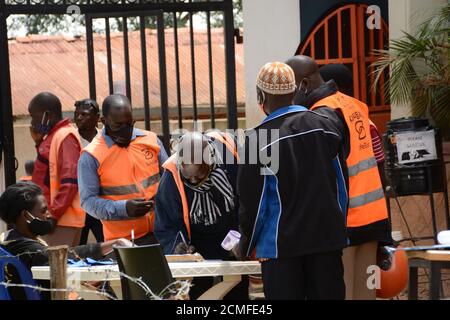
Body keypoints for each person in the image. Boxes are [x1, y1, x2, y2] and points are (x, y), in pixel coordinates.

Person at [237, 62, 349, 300]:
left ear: (260, 96)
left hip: (281, 249)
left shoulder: (257, 140)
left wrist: (247, 243)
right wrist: (338, 230)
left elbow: (253, 205)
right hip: (327, 242)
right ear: (297, 89)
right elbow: (341, 186)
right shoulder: (327, 125)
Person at [287, 56, 392, 300]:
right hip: (373, 218)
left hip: (344, 221)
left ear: (303, 84)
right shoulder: (355, 106)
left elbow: (319, 176)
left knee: (342, 291)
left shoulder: (322, 116)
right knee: (366, 292)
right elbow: (378, 164)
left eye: (290, 90)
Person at [154, 131, 248, 299]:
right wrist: (178, 247)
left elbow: (248, 203)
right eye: (188, 177)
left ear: (211, 163)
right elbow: (167, 224)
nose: (194, 182)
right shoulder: (171, 176)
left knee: (236, 293)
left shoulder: (231, 160)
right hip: (198, 249)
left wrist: (244, 236)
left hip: (232, 239)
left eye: (200, 175)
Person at [0, 182, 131, 300]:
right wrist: (113, 244)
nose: (48, 215)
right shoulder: (23, 247)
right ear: (25, 215)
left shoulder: (8, 240)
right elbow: (62, 256)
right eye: (43, 210)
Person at [78, 94, 168, 244]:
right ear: (103, 121)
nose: (125, 131)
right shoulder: (91, 156)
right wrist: (123, 208)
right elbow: (88, 202)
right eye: (118, 126)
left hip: (163, 232)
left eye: (129, 124)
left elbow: (170, 181)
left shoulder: (152, 141)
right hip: (123, 241)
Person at [28, 92, 85, 247]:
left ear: (48, 114)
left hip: (61, 219)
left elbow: (70, 182)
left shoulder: (65, 136)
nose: (33, 122)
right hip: (55, 217)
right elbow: (47, 170)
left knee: (55, 268)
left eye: (34, 116)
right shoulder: (54, 136)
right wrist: (39, 143)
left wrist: (53, 216)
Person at [73, 99, 104, 244]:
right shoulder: (70, 140)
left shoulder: (106, 139)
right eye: (76, 114)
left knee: (109, 246)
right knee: (78, 250)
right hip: (77, 206)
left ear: (97, 117)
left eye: (84, 114)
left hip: (101, 203)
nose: (79, 118)